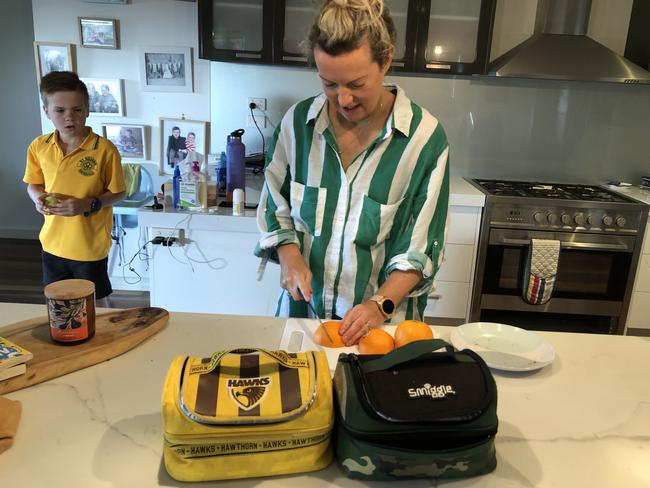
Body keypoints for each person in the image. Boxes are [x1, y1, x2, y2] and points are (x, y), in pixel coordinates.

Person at [256, 0, 449, 345]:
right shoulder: (297, 125)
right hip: (305, 322)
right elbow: (274, 206)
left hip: (384, 331)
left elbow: (420, 248)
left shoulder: (423, 140)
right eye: (329, 84)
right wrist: (289, 256)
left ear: (386, 59)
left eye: (357, 84)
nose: (343, 99)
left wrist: (379, 304)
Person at [23, 71, 126, 303]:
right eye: (60, 110)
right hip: (52, 243)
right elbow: (33, 183)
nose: (70, 117)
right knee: (58, 304)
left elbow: (119, 192)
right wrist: (38, 198)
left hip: (89, 247)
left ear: (87, 110)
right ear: (46, 111)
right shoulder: (39, 146)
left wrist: (88, 203)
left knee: (95, 306)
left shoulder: (104, 149)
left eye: (77, 110)